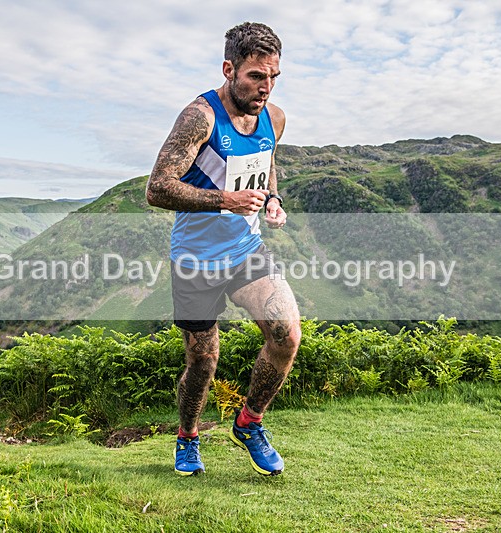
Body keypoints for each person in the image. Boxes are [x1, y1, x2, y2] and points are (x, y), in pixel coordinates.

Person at [146, 22, 301, 476]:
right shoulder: (201, 116)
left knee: (286, 334)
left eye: (273, 76)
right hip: (194, 258)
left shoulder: (274, 117)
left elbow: (267, 161)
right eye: (256, 76)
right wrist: (224, 200)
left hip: (245, 249)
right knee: (203, 361)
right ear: (229, 69)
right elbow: (157, 189)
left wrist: (271, 197)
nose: (265, 87)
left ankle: (249, 422)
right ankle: (188, 436)